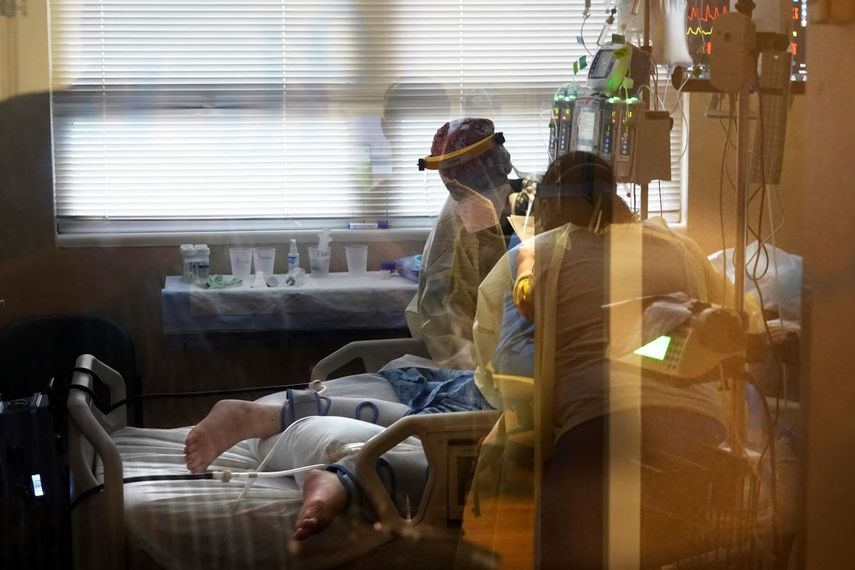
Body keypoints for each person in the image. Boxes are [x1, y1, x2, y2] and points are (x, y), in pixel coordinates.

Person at [184, 117, 524, 541]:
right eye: (453, 185)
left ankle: (291, 428)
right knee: (438, 410)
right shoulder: (473, 218)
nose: (460, 194)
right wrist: (469, 358)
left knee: (434, 408)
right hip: (488, 371)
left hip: (502, 372)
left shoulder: (529, 224)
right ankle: (328, 464)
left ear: (498, 160)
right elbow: (444, 306)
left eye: (465, 179)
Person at [521, 151, 747, 569]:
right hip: (699, 426)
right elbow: (730, 323)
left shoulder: (542, 256)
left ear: (553, 204)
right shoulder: (683, 249)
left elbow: (509, 363)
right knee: (677, 549)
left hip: (597, 427)